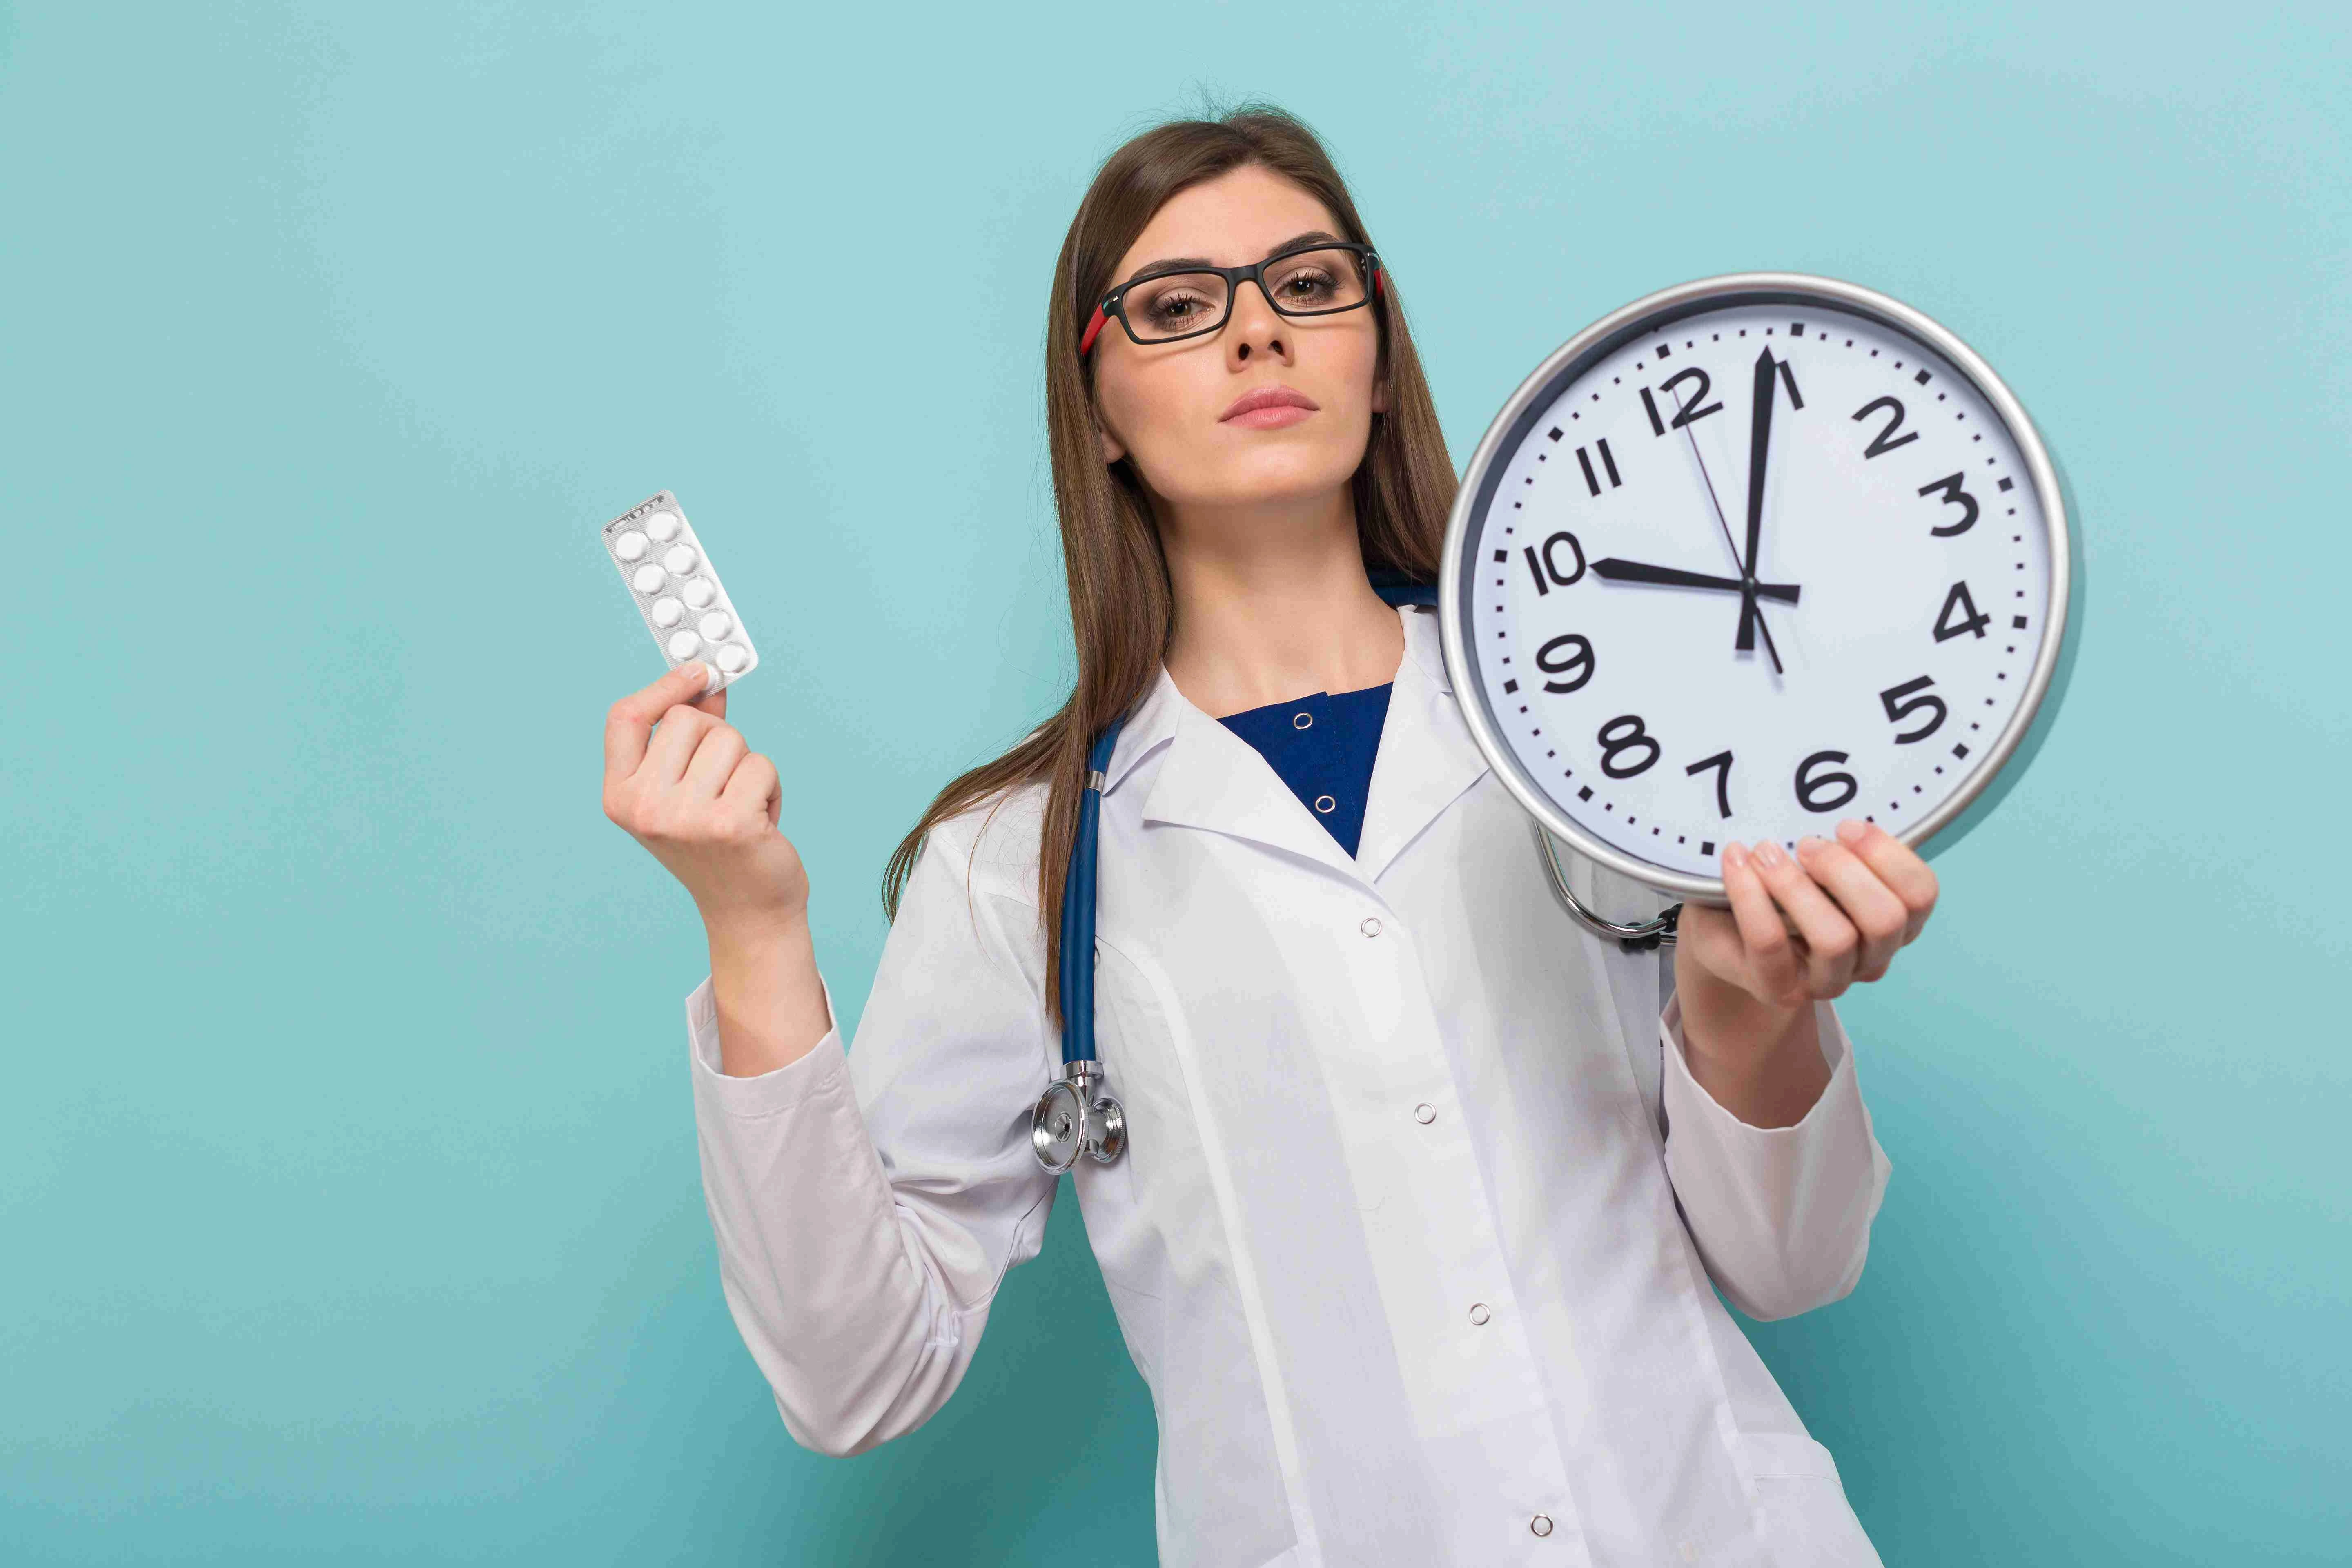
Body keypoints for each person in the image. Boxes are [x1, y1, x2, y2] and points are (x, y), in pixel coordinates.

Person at [600, 106, 1935, 1568]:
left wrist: (1752, 1021)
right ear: (1095, 407)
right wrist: (752, 928)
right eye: (1179, 307)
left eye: (1309, 285)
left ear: (1376, 352)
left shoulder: (1606, 720)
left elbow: (1796, 1269)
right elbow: (859, 1377)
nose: (1258, 336)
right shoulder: (1020, 864)